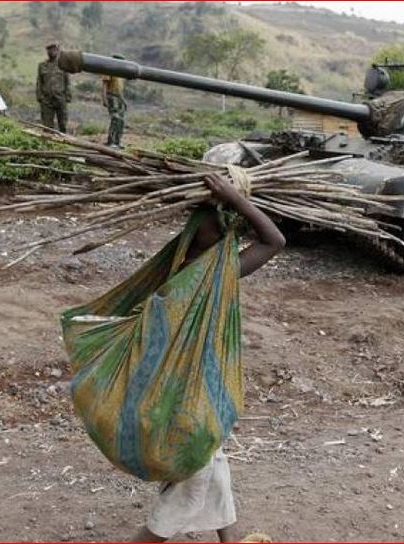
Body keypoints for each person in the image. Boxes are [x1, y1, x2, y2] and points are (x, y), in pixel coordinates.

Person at [131, 173, 284, 543]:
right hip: (185, 402)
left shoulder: (206, 270)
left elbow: (272, 240)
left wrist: (231, 200)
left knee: (215, 473)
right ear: (198, 234)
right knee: (190, 487)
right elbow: (274, 240)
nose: (223, 229)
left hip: (193, 395)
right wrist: (234, 197)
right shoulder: (196, 274)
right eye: (216, 224)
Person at [37, 43, 71, 132]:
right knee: (47, 126)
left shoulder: (63, 64)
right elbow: (39, 82)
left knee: (63, 124)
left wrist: (68, 96)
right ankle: (49, 144)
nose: (51, 51)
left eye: (53, 49)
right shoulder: (42, 65)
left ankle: (64, 142)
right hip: (47, 99)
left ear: (57, 50)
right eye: (49, 49)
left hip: (60, 98)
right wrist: (39, 97)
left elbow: (67, 82)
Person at [102, 55, 128, 148]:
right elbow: (104, 85)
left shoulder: (120, 73)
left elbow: (121, 88)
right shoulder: (109, 70)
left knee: (121, 121)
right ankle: (111, 141)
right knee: (115, 119)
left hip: (119, 97)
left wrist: (123, 100)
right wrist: (104, 98)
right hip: (112, 96)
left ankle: (117, 141)